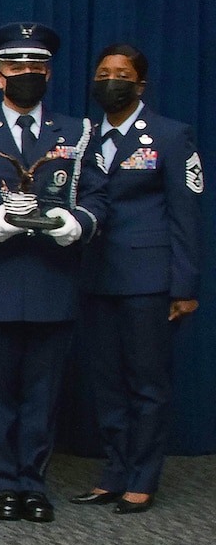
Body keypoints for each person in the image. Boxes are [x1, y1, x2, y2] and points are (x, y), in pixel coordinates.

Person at [0, 22, 106, 523]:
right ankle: (3, 485)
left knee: (43, 392)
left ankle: (34, 483)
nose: (28, 74)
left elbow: (99, 197)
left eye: (38, 67)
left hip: (53, 279)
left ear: (49, 73)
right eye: (17, 67)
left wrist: (75, 223)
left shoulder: (77, 133)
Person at [69, 43, 200, 515]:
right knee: (106, 382)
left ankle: (143, 478)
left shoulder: (170, 135)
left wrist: (185, 286)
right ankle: (115, 472)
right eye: (103, 72)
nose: (110, 80)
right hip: (94, 277)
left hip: (148, 281)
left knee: (147, 383)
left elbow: (185, 215)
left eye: (121, 73)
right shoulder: (79, 138)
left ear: (140, 84)